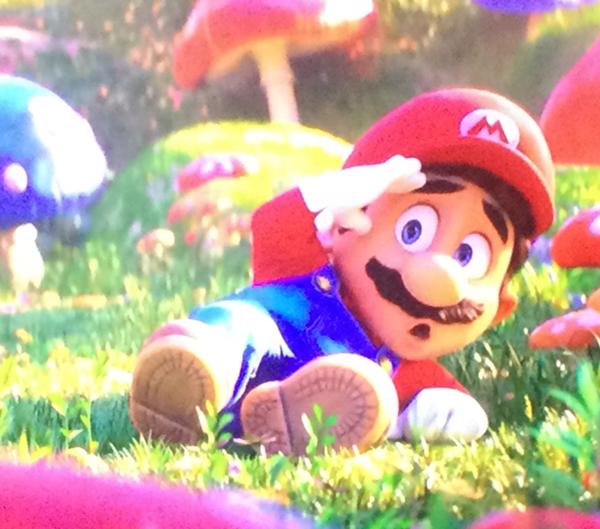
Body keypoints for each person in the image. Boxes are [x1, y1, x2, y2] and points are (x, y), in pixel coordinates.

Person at [129, 88, 555, 455]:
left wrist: (437, 415)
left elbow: (450, 408)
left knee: (375, 394)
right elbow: (273, 222)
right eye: (413, 230)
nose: (440, 274)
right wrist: (329, 194)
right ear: (341, 223)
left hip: (328, 389)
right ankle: (192, 370)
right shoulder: (302, 261)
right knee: (244, 323)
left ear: (500, 307)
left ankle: (307, 422)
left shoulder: (411, 372)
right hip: (256, 343)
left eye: (468, 255)